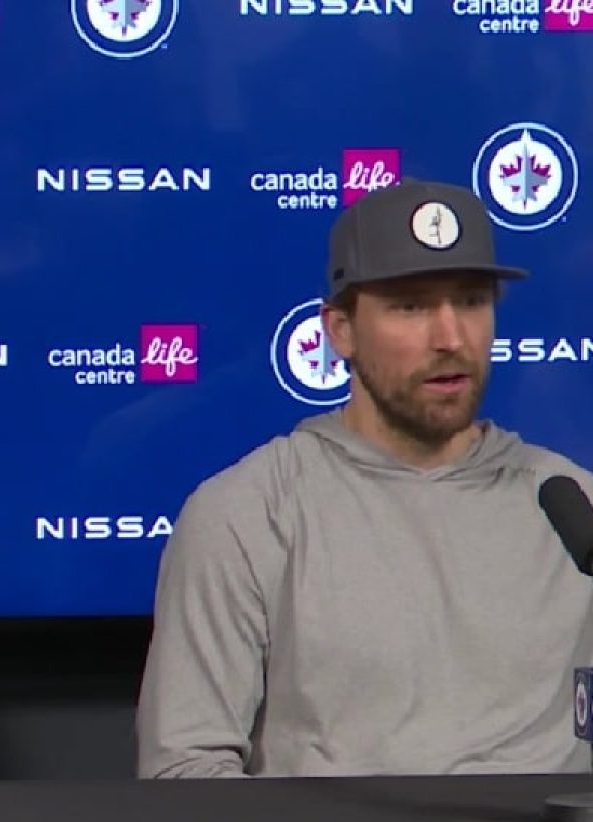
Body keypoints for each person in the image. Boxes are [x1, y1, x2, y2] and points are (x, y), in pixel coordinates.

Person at [137, 178, 593, 778]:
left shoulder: (572, 506)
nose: (451, 338)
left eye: (470, 301)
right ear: (340, 330)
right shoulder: (248, 513)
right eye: (411, 307)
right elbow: (182, 771)